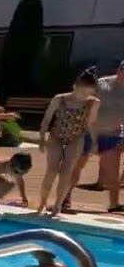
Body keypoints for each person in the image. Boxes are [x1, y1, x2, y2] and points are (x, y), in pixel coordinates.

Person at [37, 69, 101, 216]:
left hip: (76, 138)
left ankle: (57, 206)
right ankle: (42, 203)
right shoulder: (60, 99)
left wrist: (94, 142)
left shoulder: (93, 103)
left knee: (66, 173)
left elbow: (91, 123)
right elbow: (47, 119)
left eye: (88, 93)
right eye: (82, 92)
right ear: (74, 86)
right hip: (56, 137)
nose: (84, 96)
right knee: (52, 171)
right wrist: (41, 138)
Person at [71, 60, 124, 211]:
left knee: (112, 173)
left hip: (111, 134)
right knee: (76, 166)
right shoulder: (102, 84)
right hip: (88, 132)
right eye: (122, 69)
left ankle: (114, 204)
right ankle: (64, 199)